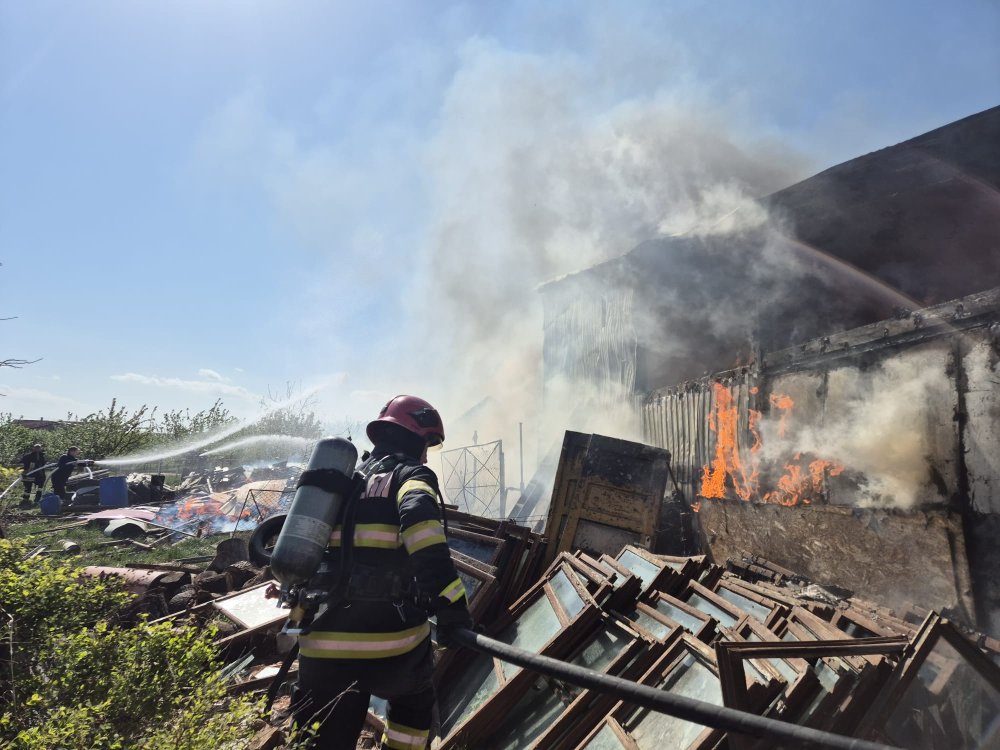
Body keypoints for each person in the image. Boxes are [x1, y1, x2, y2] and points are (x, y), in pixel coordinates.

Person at [291, 395, 472, 750]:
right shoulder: (411, 475)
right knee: (412, 714)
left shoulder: (338, 484)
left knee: (320, 737)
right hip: (393, 643)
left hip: (321, 641)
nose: (426, 453)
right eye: (427, 444)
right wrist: (452, 607)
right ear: (417, 438)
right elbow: (422, 531)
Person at [19, 443, 47, 508]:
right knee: (28, 488)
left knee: (40, 488)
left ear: (41, 448)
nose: (38, 449)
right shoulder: (28, 456)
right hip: (29, 475)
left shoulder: (42, 456)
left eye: (39, 448)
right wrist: (25, 471)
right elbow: (22, 464)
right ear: (33, 448)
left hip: (40, 475)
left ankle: (37, 500)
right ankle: (25, 500)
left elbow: (43, 464)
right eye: (36, 447)